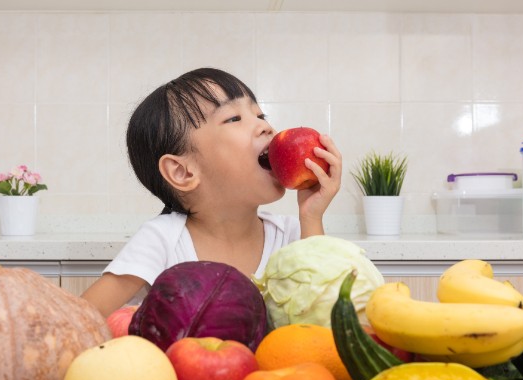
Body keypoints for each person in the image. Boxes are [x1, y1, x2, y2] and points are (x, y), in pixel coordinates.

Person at [82, 67, 342, 317]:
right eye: (234, 118)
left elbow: (327, 322)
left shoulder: (294, 236)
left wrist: (311, 217)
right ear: (182, 172)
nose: (266, 127)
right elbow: (78, 317)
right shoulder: (162, 240)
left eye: (260, 116)